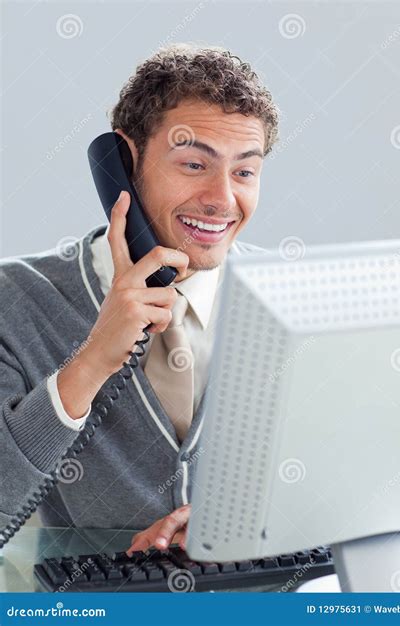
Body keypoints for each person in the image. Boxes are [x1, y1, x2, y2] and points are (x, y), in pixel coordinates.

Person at [0, 43, 279, 553]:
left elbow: (356, 478)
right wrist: (91, 363)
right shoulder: (17, 303)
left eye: (244, 172)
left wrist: (247, 524)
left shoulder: (289, 300)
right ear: (124, 166)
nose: (222, 199)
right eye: (194, 164)